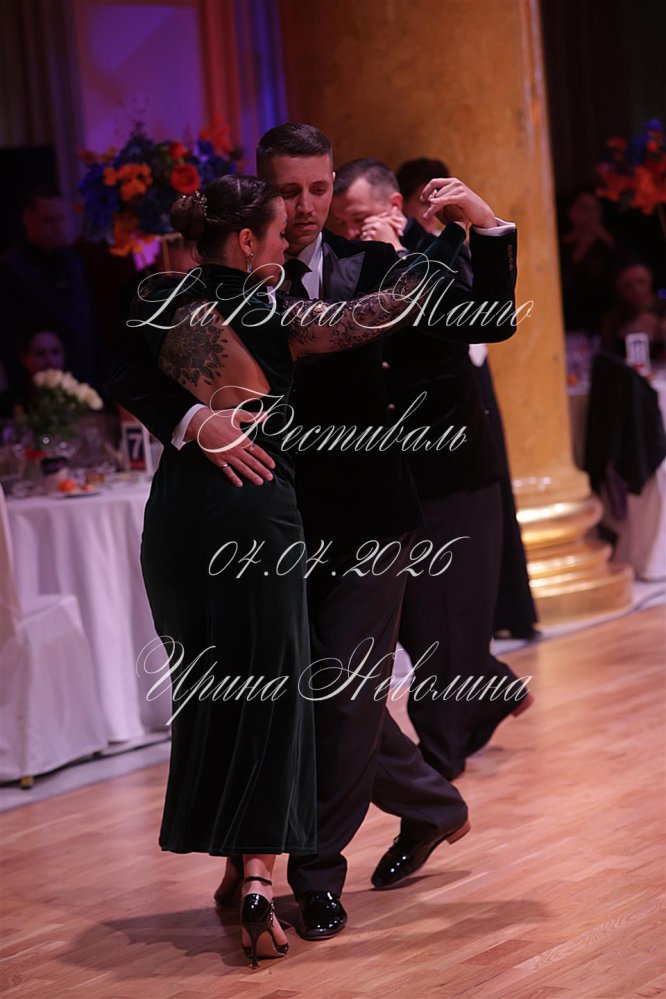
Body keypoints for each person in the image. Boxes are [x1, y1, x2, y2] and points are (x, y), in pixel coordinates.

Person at [109, 123, 514, 942]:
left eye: (319, 189)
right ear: (261, 196)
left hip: (363, 520)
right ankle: (430, 805)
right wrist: (192, 419)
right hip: (262, 523)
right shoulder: (212, 288)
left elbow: (486, 317)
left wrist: (486, 229)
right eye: (288, 192)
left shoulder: (366, 261)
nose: (304, 207)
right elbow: (132, 365)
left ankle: (310, 874)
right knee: (305, 694)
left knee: (334, 696)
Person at [331, 157, 534, 780]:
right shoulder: (338, 269)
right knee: (414, 625)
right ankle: (490, 688)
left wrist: (479, 226)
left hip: (452, 475)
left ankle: (439, 783)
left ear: (393, 206)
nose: (353, 231)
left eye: (360, 217)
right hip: (379, 482)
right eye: (345, 223)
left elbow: (488, 320)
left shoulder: (430, 254)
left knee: (442, 632)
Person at [0, 187, 97, 388]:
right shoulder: (11, 268)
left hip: (82, 371)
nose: (57, 227)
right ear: (27, 219)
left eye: (61, 219)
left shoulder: (73, 260)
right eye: (48, 220)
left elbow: (87, 318)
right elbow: (10, 335)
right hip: (38, 378)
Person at [559, 187, 618, 335]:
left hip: (607, 321)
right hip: (570, 322)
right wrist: (582, 246)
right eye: (584, 208)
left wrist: (608, 241)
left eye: (595, 208)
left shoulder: (609, 243)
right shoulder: (559, 245)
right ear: (572, 212)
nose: (590, 214)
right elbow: (564, 282)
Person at [601, 260, 666, 362]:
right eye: (628, 285)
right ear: (619, 288)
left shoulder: (663, 308)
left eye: (641, 282)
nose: (636, 290)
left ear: (650, 281)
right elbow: (606, 355)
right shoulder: (613, 317)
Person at [0, 327, 66, 418]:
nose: (49, 361)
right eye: (40, 354)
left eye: (55, 352)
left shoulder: (77, 397)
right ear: (24, 359)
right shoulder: (8, 403)